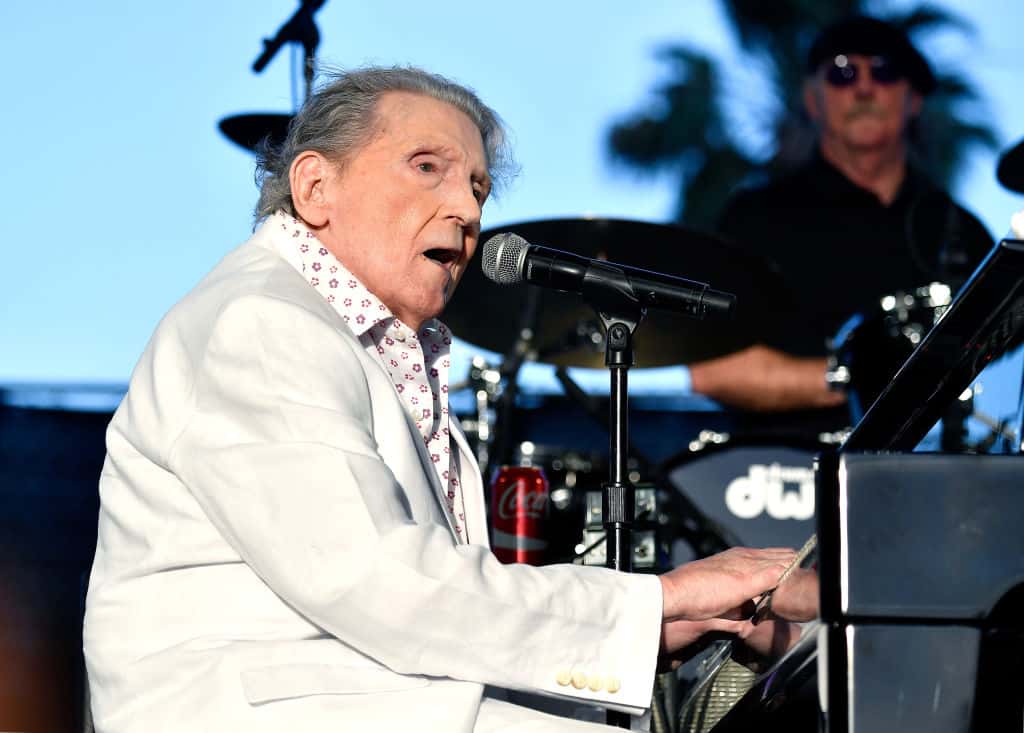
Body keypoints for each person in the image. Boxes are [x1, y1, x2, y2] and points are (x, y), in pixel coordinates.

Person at [83, 66, 815, 732]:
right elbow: (381, 584)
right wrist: (658, 600)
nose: (466, 207)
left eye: (478, 187)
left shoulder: (358, 343)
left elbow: (428, 613)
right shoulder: (261, 322)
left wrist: (647, 631)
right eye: (426, 167)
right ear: (314, 188)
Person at [689, 15, 994, 415]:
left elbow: (1005, 371)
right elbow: (712, 371)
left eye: (884, 72)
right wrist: (860, 379)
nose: (864, 88)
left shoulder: (962, 232)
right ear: (812, 100)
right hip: (787, 450)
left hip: (935, 454)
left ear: (914, 99)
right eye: (842, 73)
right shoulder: (754, 217)